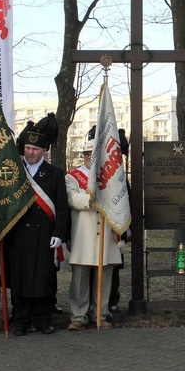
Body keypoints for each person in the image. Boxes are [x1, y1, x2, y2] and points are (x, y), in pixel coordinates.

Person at [6, 113, 69, 336]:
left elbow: (62, 208)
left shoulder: (54, 174)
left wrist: (60, 233)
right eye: (27, 149)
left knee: (43, 277)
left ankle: (42, 319)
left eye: (35, 149)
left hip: (45, 235)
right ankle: (21, 319)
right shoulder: (13, 172)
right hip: (18, 234)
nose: (30, 153)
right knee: (20, 277)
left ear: (44, 150)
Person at [66, 133, 122, 331]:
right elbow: (73, 199)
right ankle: (79, 315)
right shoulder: (72, 176)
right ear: (83, 156)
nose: (91, 157)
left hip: (106, 233)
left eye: (94, 154)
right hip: (83, 234)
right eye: (88, 154)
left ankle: (101, 312)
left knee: (105, 275)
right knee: (80, 277)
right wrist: (93, 198)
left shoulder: (112, 177)